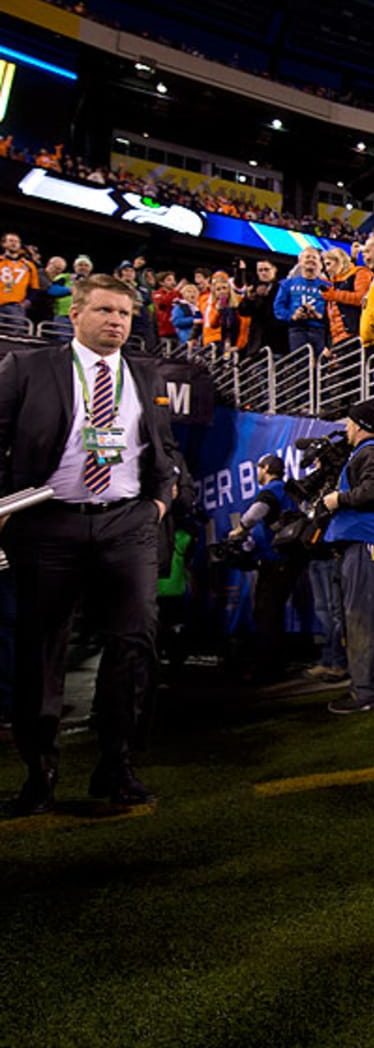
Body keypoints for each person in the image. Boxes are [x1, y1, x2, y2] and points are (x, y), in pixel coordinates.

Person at [0, 274, 175, 814]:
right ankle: (40, 771)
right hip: (48, 524)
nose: (116, 322)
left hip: (127, 524)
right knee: (42, 647)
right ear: (75, 314)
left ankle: (116, 765)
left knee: (134, 643)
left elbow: (165, 451)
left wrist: (160, 503)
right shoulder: (29, 367)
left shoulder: (148, 376)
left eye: (124, 313)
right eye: (104, 310)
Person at [319, 399, 374, 714]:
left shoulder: (370, 452)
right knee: (360, 619)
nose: (345, 427)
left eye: (349, 422)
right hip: (366, 544)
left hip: (368, 545)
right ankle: (368, 688)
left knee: (362, 620)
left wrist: (339, 498)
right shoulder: (369, 453)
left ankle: (366, 694)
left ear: (360, 425)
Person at [226, 454, 301, 681]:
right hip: (284, 561)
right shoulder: (287, 491)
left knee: (266, 615)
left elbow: (257, 510)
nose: (257, 472)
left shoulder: (274, 489)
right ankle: (273, 665)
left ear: (266, 468)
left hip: (276, 562)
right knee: (271, 614)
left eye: (258, 468)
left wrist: (239, 529)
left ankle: (268, 669)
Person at [273, 248, 328, 355]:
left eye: (314, 257)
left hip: (320, 330)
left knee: (320, 366)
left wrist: (319, 316)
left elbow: (333, 309)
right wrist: (292, 316)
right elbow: (278, 307)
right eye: (307, 257)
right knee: (300, 365)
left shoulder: (328, 286)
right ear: (300, 261)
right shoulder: (287, 284)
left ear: (320, 263)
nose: (311, 260)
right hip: (296, 329)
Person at [321, 247, 371, 346]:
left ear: (340, 261)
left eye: (329, 264)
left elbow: (361, 299)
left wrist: (335, 295)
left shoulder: (359, 273)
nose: (327, 269)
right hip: (337, 340)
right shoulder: (332, 285)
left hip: (355, 336)